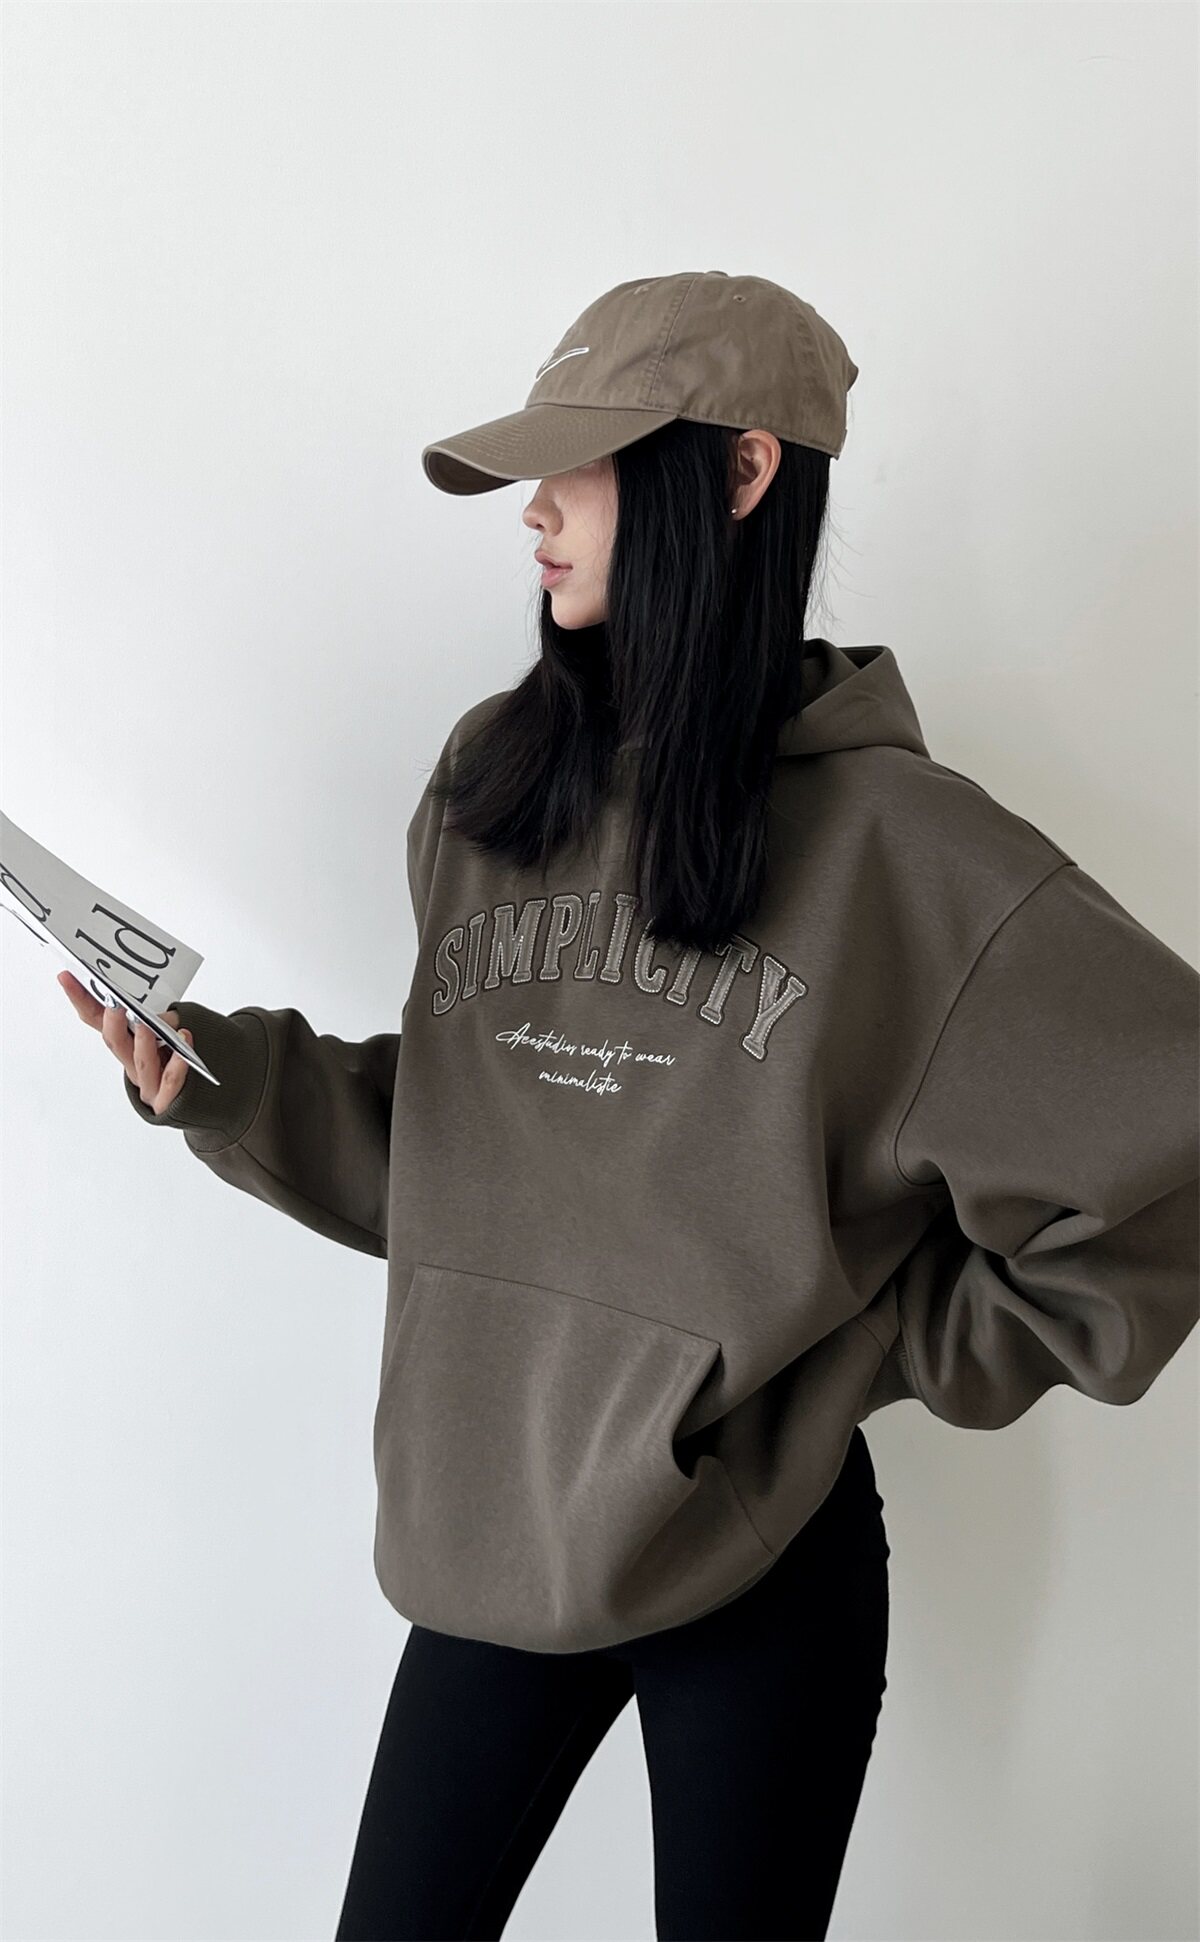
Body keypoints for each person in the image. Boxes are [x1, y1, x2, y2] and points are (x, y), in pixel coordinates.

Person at [61, 270, 1200, 1941]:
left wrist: (873, 1347)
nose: (535, 507)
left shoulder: (914, 859)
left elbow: (1163, 1158)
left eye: (584, 461)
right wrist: (224, 1081)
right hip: (493, 1525)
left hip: (760, 1559)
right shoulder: (491, 789)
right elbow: (467, 1146)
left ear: (741, 471)